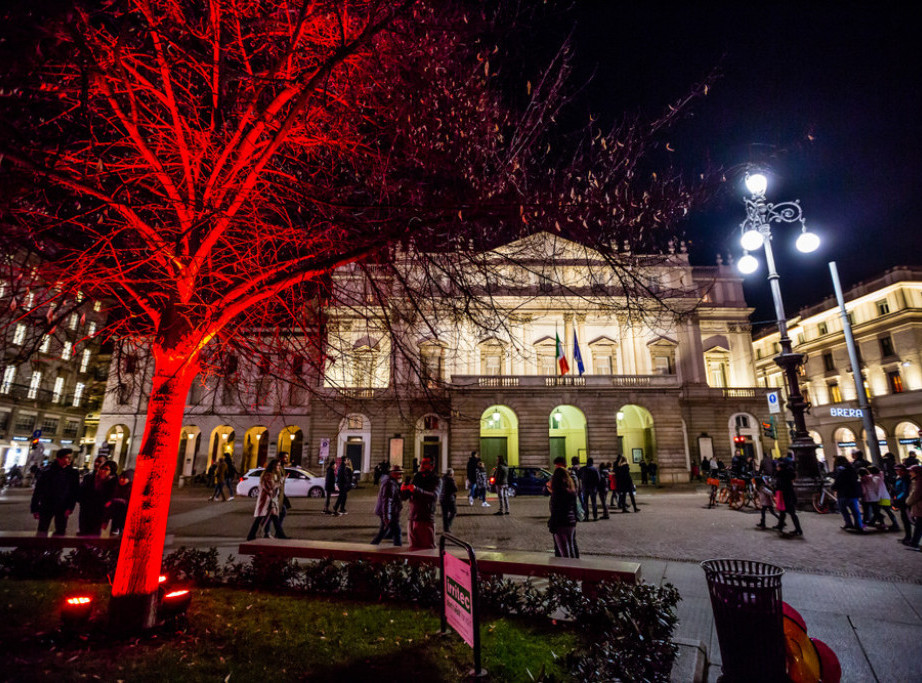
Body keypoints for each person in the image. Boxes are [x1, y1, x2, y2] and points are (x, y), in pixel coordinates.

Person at [30, 448, 80, 536]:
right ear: (59, 459)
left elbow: (74, 491)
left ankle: (57, 544)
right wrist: (35, 508)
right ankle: (40, 544)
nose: (70, 459)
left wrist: (70, 507)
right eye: (67, 457)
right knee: (42, 530)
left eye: (70, 457)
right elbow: (38, 491)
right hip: (47, 505)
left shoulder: (73, 473)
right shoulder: (47, 472)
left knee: (60, 530)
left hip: (63, 506)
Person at [401, 456, 442, 550]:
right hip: (412, 518)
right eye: (421, 463)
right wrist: (403, 490)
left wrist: (416, 490)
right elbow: (405, 497)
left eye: (425, 463)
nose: (422, 465)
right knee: (413, 548)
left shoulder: (436, 479)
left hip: (425, 519)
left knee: (428, 549)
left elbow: (433, 496)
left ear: (432, 466)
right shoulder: (417, 477)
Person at [246, 459, 287, 540]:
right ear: (273, 466)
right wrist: (281, 480)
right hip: (266, 500)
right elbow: (272, 486)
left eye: (279, 465)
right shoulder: (268, 475)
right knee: (261, 518)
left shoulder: (273, 475)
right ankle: (252, 535)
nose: (279, 467)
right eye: (278, 465)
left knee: (272, 517)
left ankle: (280, 535)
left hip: (270, 499)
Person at [548, 456, 579, 557]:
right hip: (571, 521)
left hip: (560, 522)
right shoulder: (571, 489)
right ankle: (575, 565)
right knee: (571, 547)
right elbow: (574, 505)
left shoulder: (558, 493)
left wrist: (552, 524)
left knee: (564, 552)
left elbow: (556, 509)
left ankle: (566, 566)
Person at [77, 454, 115, 535]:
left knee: (94, 535)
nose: (96, 464)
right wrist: (83, 502)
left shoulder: (110, 480)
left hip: (98, 513)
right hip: (85, 511)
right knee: (83, 532)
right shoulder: (88, 477)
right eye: (96, 461)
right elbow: (81, 491)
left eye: (100, 462)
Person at [371, 464, 403, 546]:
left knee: (383, 532)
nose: (400, 476)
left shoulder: (392, 482)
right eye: (398, 473)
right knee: (397, 533)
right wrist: (387, 517)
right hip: (389, 513)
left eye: (401, 473)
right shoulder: (390, 484)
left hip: (390, 512)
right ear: (392, 473)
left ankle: (372, 546)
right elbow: (387, 501)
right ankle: (398, 550)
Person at [832, 455, 864, 531]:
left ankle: (849, 523)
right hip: (853, 493)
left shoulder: (840, 471)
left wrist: (833, 487)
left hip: (843, 493)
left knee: (843, 509)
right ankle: (859, 525)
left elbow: (838, 482)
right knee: (855, 510)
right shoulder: (852, 469)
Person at [774, 456, 803, 537]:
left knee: (785, 512)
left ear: (780, 468)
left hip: (784, 496)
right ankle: (796, 529)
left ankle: (797, 529)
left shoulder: (780, 475)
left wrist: (775, 491)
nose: (776, 468)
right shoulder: (788, 474)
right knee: (789, 513)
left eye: (777, 467)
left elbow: (779, 486)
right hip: (790, 495)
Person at [268, 453, 291, 537]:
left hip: (279, 494)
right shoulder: (277, 468)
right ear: (280, 458)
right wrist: (283, 478)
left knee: (277, 513)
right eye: (285, 457)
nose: (287, 459)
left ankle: (275, 533)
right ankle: (276, 533)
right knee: (273, 515)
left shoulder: (282, 467)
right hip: (275, 495)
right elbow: (275, 482)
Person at [106, 467, 132, 535]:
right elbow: (111, 500)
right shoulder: (116, 487)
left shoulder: (131, 489)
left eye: (124, 478)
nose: (121, 480)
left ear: (129, 479)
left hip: (124, 517)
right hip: (115, 516)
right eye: (121, 477)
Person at [893, 464, 913, 545]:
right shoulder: (900, 478)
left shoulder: (905, 478)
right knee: (905, 519)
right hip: (902, 500)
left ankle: (909, 537)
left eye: (898, 470)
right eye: (896, 470)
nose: (897, 471)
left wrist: (897, 499)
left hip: (905, 501)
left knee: (907, 519)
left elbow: (905, 491)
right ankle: (908, 536)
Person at [904, 464, 922, 551]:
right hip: (918, 506)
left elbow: (916, 494)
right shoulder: (916, 480)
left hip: (920, 506)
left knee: (919, 525)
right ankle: (914, 542)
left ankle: (914, 543)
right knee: (919, 525)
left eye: (911, 471)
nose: (910, 473)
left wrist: (908, 502)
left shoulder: (919, 481)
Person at [440, 468, 458, 532]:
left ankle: (446, 528)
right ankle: (448, 524)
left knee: (445, 514)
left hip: (442, 498)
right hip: (449, 498)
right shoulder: (451, 479)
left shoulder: (442, 479)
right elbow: (455, 489)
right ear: (451, 474)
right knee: (454, 511)